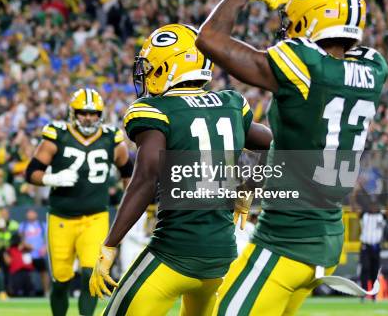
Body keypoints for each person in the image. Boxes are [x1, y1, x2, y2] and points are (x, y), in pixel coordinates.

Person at [196, 0, 388, 314]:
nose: (287, 24)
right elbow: (299, 138)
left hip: (288, 239)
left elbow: (208, 39)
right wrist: (251, 182)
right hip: (327, 236)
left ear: (311, 17)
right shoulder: (373, 67)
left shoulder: (306, 65)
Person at [89, 24, 272, 316]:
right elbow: (270, 144)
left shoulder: (155, 110)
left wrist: (111, 244)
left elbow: (145, 178)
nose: (146, 73)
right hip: (220, 259)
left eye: (150, 66)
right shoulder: (230, 103)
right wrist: (247, 191)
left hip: (174, 253)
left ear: (168, 66)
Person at [26, 88, 133, 316]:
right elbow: (31, 172)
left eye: (94, 113)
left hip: (95, 217)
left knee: (90, 275)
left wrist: (130, 200)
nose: (88, 117)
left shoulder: (112, 138)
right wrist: (51, 178)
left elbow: (128, 174)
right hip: (61, 218)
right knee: (60, 281)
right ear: (73, 113)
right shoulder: (58, 134)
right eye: (83, 112)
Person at [19, 209, 49, 295]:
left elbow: (48, 238)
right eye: (29, 213)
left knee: (44, 273)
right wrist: (25, 245)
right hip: (27, 254)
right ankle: (26, 291)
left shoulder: (42, 225)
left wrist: (45, 248)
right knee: (25, 273)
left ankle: (46, 291)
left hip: (39, 254)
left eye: (32, 213)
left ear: (36, 215)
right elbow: (21, 239)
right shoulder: (23, 226)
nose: (30, 215)